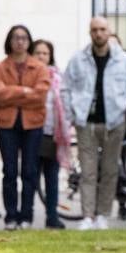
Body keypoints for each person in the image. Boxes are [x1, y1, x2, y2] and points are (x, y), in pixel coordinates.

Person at [61, 16, 126, 230]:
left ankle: (103, 214)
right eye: (95, 29)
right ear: (89, 32)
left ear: (109, 31)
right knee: (88, 171)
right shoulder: (78, 59)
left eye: (102, 29)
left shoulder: (123, 60)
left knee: (110, 170)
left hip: (115, 122)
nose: (99, 33)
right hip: (86, 122)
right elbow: (65, 87)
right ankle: (88, 215)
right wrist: (72, 115)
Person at [0, 25, 50, 230]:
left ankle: (27, 216)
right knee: (10, 171)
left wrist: (11, 93)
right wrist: (24, 91)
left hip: (33, 124)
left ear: (29, 41)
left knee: (30, 171)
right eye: (16, 38)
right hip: (7, 125)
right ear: (10, 41)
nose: (20, 41)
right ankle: (11, 216)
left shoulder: (39, 67)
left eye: (23, 38)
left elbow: (40, 95)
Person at [31, 40, 71, 229]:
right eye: (37, 52)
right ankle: (26, 215)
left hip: (53, 134)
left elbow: (64, 103)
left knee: (52, 177)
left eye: (45, 53)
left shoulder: (58, 77)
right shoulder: (29, 75)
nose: (41, 56)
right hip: (31, 132)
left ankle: (52, 216)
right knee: (30, 176)